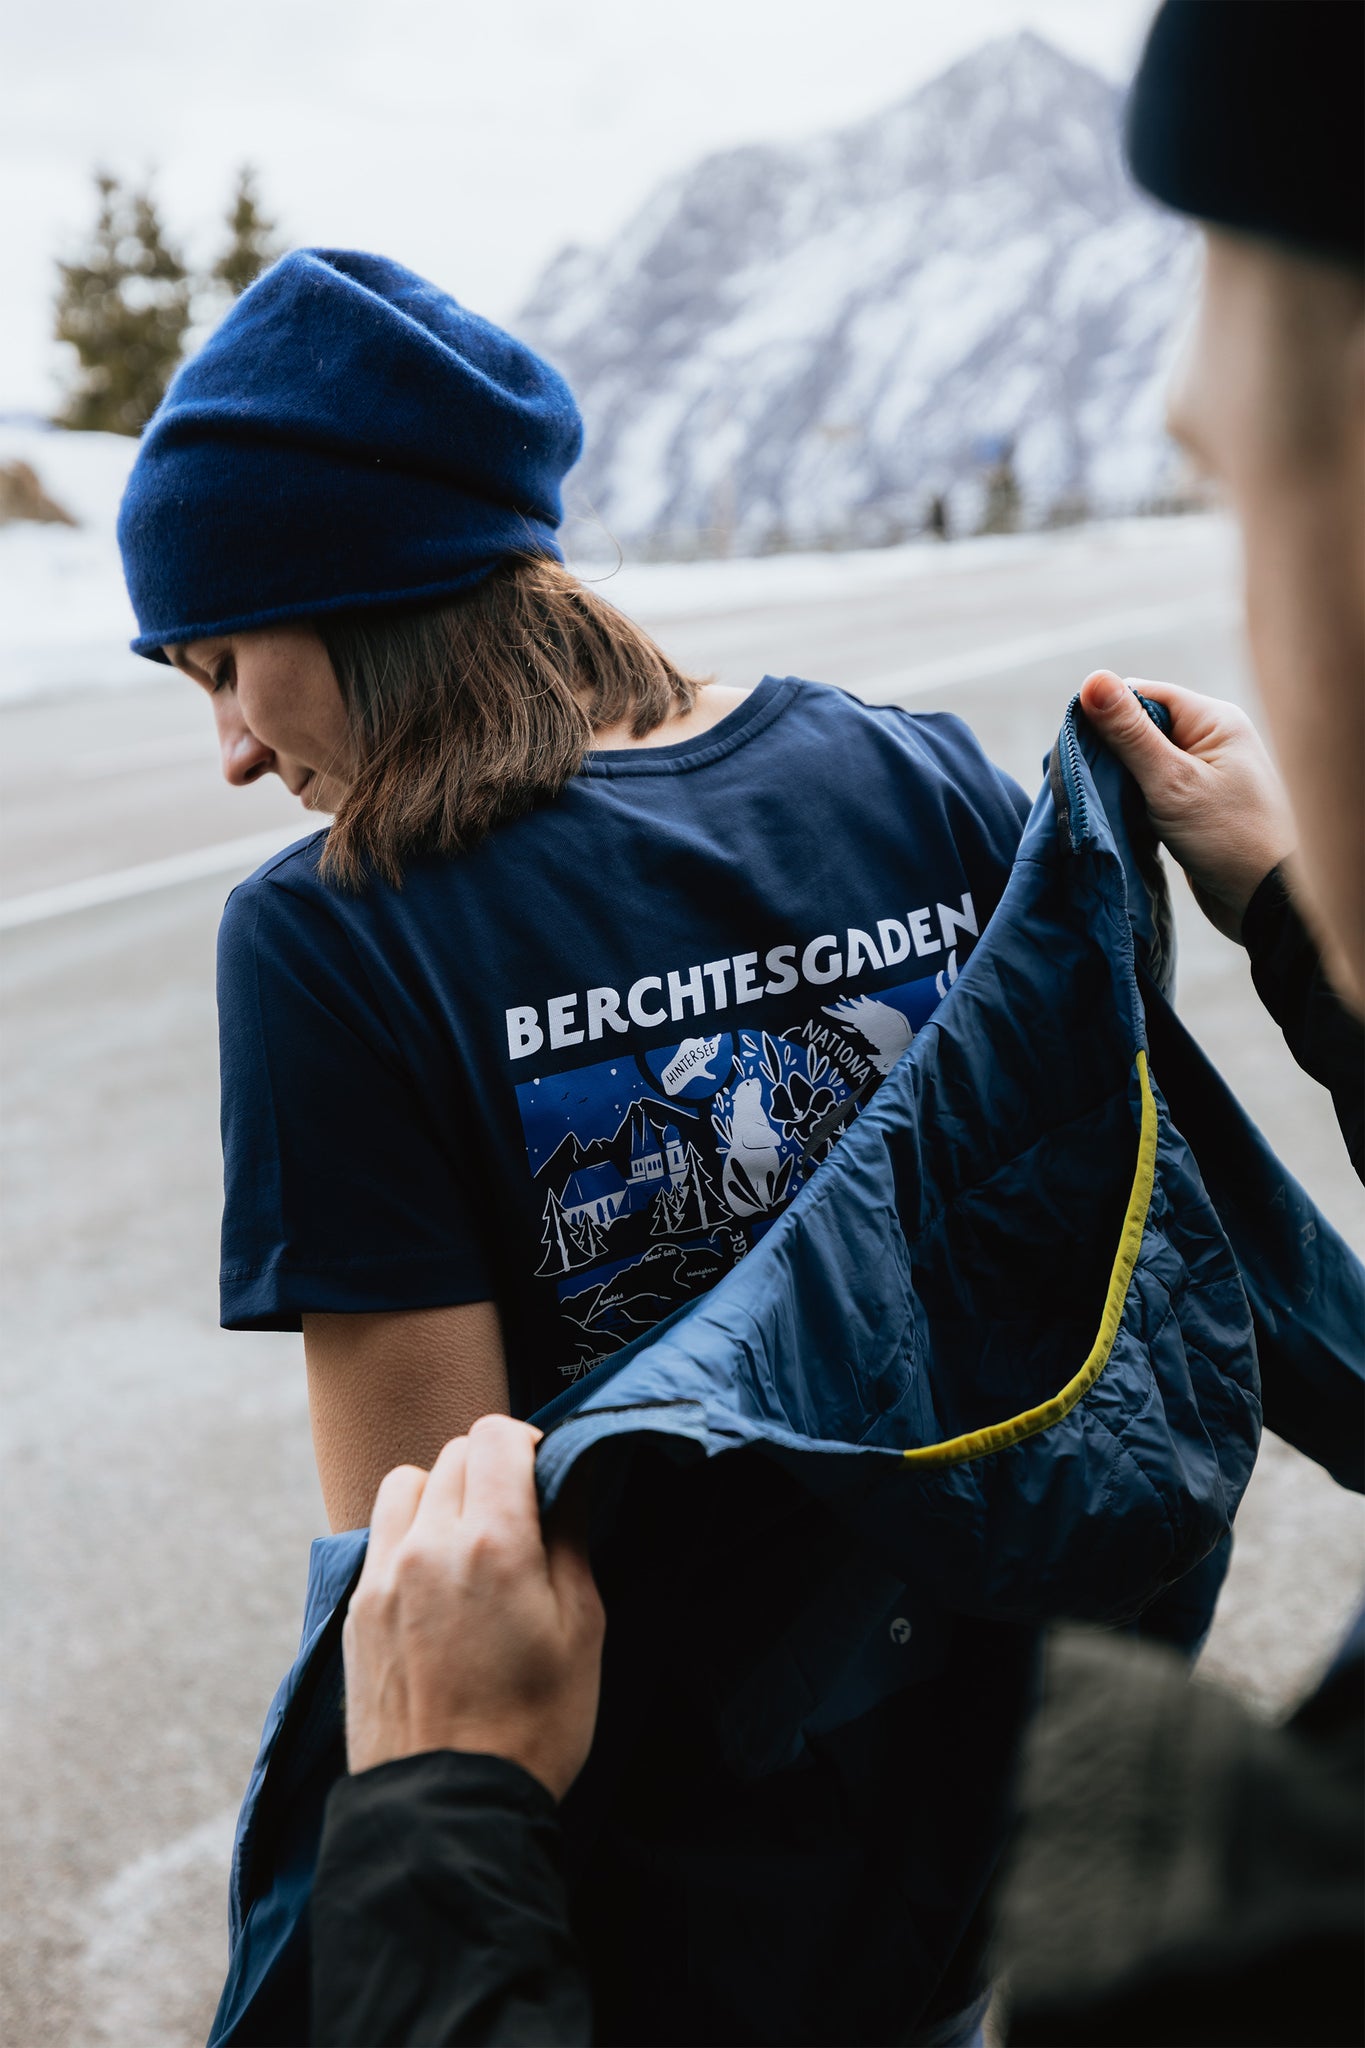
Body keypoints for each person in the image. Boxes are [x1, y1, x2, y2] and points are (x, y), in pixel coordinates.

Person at [307, 1, 1364, 2042]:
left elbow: (410, 1570)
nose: (231, 753)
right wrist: (1311, 943)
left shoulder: (327, 942)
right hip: (959, 1759)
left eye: (1246, 484)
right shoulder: (911, 768)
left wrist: (429, 1831)